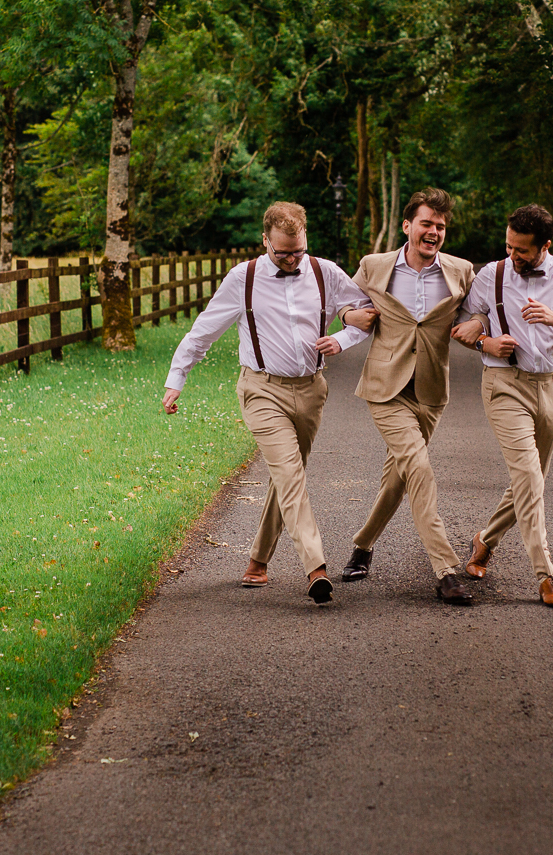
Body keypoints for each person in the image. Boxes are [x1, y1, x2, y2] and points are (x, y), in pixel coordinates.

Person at [162, 201, 370, 604]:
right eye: (282, 253)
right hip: (261, 390)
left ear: (305, 238)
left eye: (298, 251)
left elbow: (365, 312)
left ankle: (258, 560)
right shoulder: (245, 278)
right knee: (291, 476)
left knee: (285, 476)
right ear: (265, 242)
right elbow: (203, 331)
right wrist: (177, 379)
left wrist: (341, 339)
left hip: (311, 390)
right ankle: (316, 567)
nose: (292, 260)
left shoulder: (325, 272)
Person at [334, 189, 478, 605]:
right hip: (384, 388)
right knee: (419, 471)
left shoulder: (462, 271)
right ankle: (446, 570)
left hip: (431, 391)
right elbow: (343, 301)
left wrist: (481, 323)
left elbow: (478, 312)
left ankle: (362, 546)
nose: (433, 233)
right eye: (427, 224)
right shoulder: (374, 266)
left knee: (398, 479)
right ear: (407, 226)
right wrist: (347, 316)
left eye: (441, 227)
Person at [449, 203, 553, 609]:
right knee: (528, 476)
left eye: (522, 250)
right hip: (503, 384)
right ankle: (546, 575)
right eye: (509, 246)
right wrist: (483, 341)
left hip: (549, 388)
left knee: (531, 481)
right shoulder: (490, 275)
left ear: (544, 245)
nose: (513, 256)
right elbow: (462, 324)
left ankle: (485, 540)